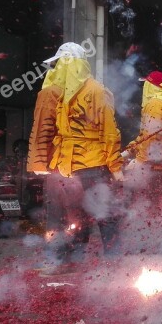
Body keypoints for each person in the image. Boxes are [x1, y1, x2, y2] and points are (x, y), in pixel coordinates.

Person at [30, 42, 124, 270]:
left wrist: (116, 167)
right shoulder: (69, 95)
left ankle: (106, 263)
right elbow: (65, 134)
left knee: (99, 214)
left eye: (59, 63)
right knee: (84, 216)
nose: (56, 69)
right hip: (76, 167)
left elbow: (108, 132)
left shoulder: (92, 91)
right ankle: (81, 261)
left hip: (86, 165)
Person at [122, 71, 162, 167]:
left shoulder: (155, 104)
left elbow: (151, 136)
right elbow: (147, 134)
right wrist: (129, 151)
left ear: (151, 87)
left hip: (157, 162)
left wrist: (140, 161)